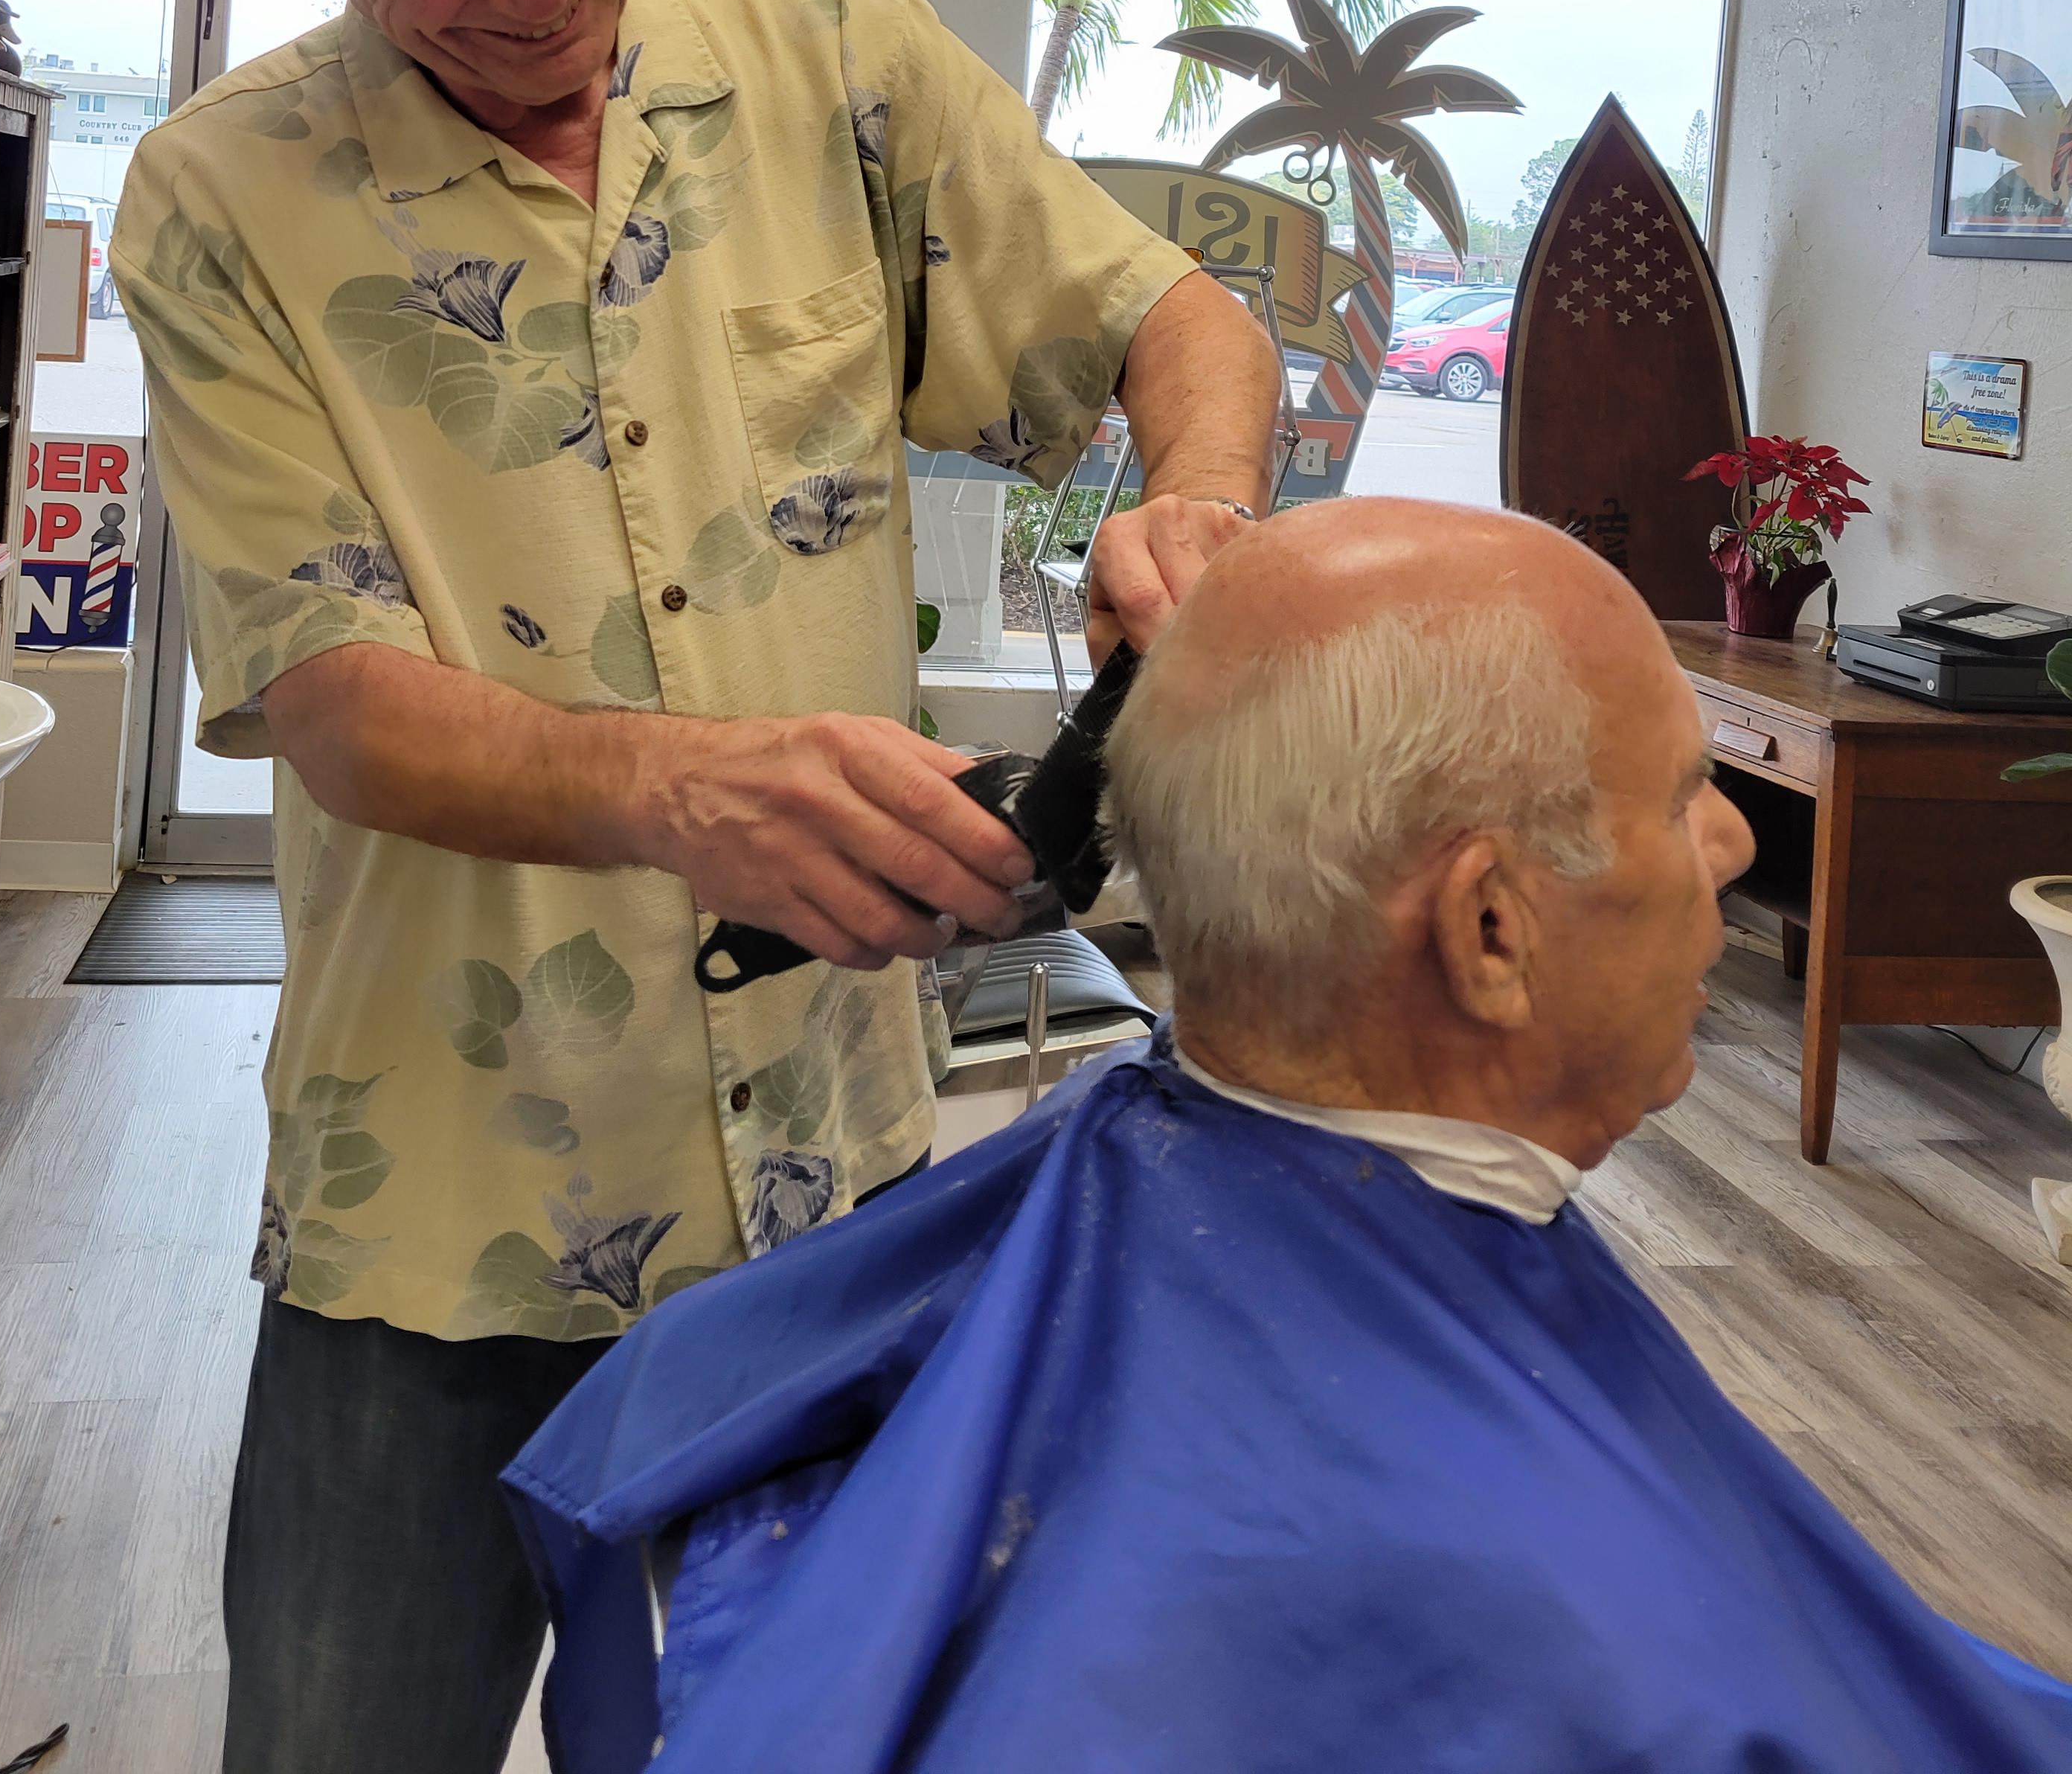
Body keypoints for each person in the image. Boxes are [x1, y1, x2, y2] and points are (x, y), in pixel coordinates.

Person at [109, 0, 1280, 1774]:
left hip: (825, 1174)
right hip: (438, 1198)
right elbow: (335, 699)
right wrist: (683, 790)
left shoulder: (835, 65)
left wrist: (1197, 501)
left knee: (770, 1744)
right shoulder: (218, 200)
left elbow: (1175, 316)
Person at [505, 501, 2072, 1772]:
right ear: (1489, 932)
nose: (1733, 843)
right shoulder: (1515, 1599)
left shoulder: (1141, 1194)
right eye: (1683, 797)